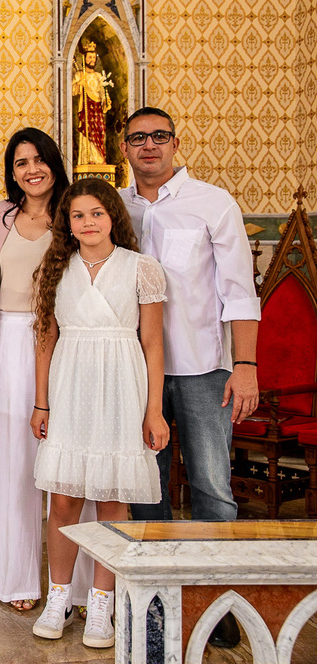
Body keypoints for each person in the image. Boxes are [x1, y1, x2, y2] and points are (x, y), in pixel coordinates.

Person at [120, 105, 261, 650]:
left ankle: (216, 601)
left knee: (211, 487)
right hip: (138, 370)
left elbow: (239, 291)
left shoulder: (213, 202)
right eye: (138, 138)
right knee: (146, 488)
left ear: (176, 144)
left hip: (204, 367)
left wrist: (245, 367)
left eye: (159, 136)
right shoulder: (115, 208)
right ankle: (157, 601)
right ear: (124, 148)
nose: (149, 145)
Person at [29, 178, 168, 649]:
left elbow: (153, 343)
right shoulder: (55, 269)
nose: (88, 223)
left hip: (122, 387)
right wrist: (41, 402)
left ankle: (102, 604)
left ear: (113, 217)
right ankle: (59, 597)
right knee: (64, 498)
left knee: (112, 499)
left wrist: (154, 412)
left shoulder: (141, 269)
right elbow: (45, 340)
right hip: (70, 386)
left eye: (96, 213)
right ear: (67, 224)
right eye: (78, 215)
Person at [0, 128, 96, 613]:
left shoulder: (76, 214)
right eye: (21, 162)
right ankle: (17, 579)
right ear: (12, 172)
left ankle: (86, 587)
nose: (32, 169)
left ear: (54, 162)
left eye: (39, 159)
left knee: (72, 464)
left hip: (67, 341)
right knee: (12, 464)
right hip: (7, 342)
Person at [72, 40, 113, 166]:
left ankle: (99, 159)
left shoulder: (99, 76)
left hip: (97, 111)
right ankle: (86, 159)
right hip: (86, 111)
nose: (92, 60)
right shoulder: (80, 75)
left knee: (99, 133)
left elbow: (103, 93)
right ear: (84, 59)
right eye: (90, 57)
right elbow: (72, 91)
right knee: (87, 133)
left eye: (94, 58)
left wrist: (106, 100)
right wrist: (79, 84)